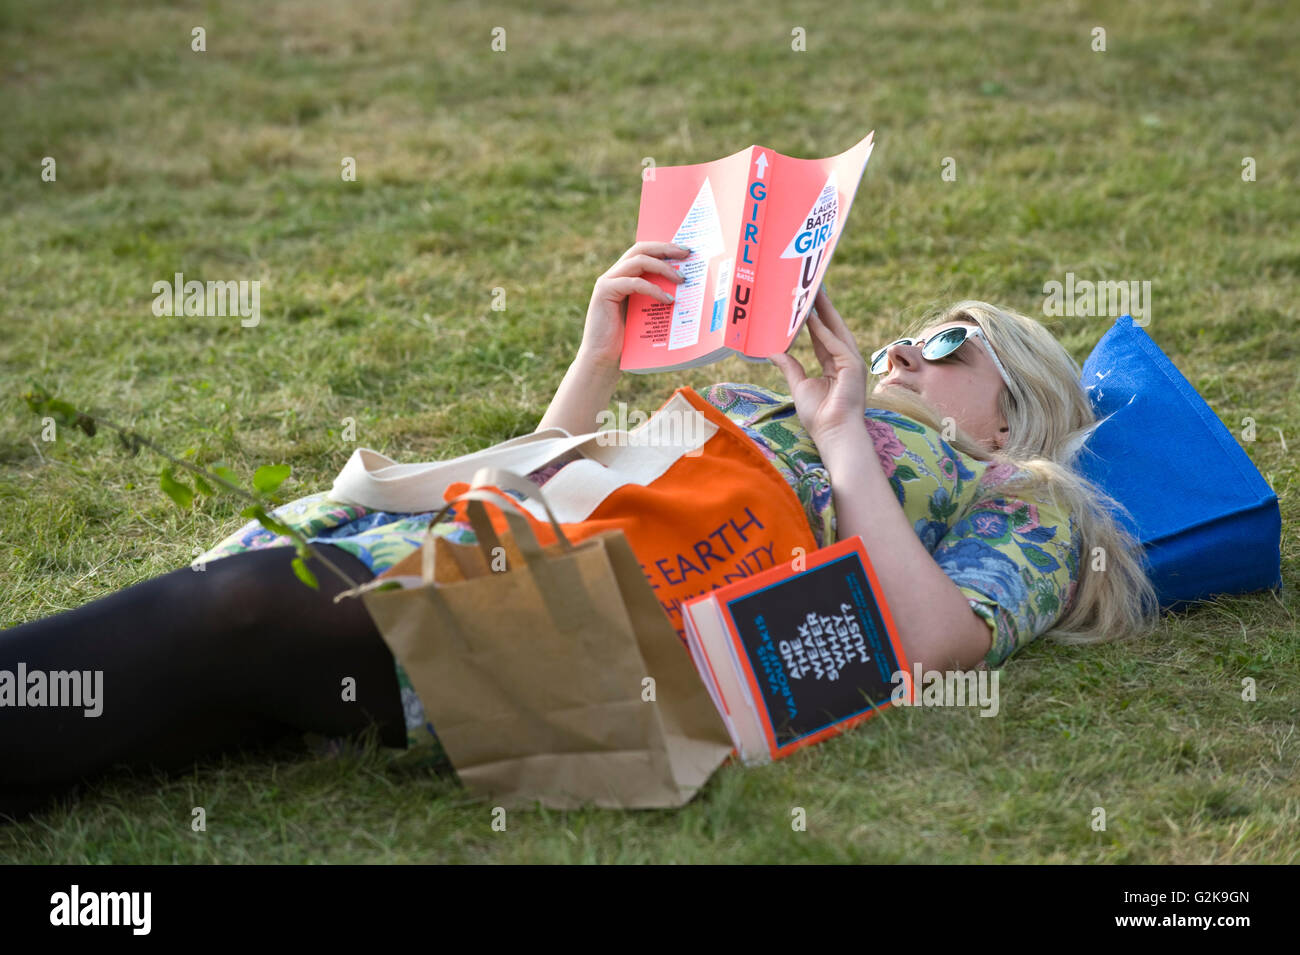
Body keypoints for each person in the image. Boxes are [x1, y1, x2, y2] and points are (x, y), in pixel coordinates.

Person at [0, 241, 1158, 820]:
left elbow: (938, 642)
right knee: (208, 675)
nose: (909, 347)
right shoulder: (765, 401)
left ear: (1015, 414)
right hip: (513, 536)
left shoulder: (1022, 496)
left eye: (954, 345)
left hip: (599, 625)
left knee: (240, 611)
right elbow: (560, 472)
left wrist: (849, 440)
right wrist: (600, 351)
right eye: (917, 330)